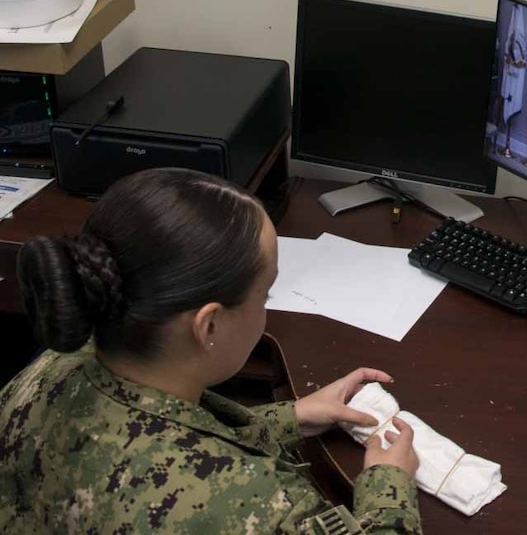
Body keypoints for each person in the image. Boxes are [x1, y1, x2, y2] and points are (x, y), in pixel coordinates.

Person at [0, 168, 421, 533]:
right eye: (265, 294)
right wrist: (389, 484)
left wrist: (289, 418)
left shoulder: (56, 366)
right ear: (210, 324)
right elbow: (190, 475)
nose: (266, 310)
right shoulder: (252, 504)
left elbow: (145, 434)